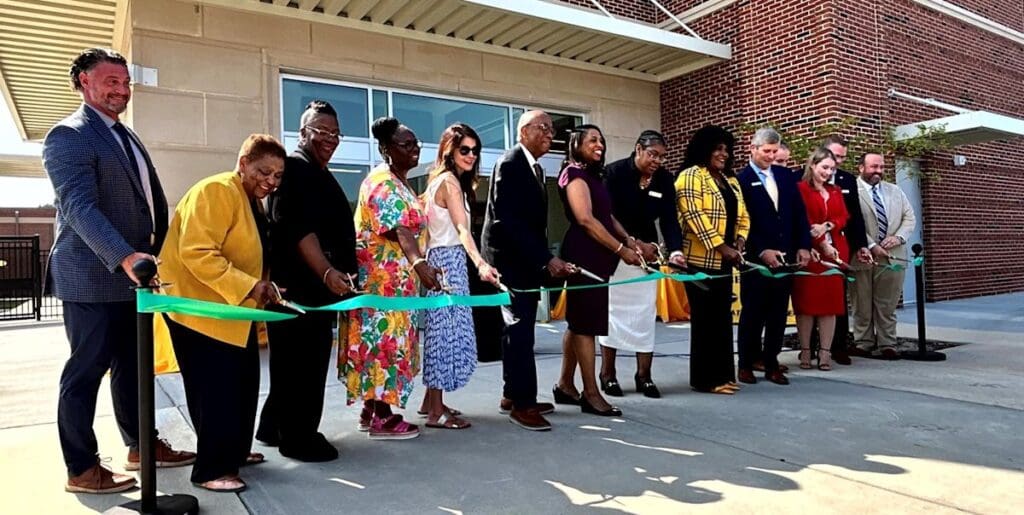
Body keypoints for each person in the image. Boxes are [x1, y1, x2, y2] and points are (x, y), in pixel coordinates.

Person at [43, 47, 194, 494]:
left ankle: (141, 446)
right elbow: (78, 207)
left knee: (133, 368)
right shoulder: (69, 135)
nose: (122, 89)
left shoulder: (125, 135)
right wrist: (125, 255)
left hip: (135, 280)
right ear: (84, 81)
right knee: (85, 372)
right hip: (91, 277)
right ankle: (81, 469)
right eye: (112, 81)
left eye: (126, 82)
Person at [156, 134, 285, 493]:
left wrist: (264, 286)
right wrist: (250, 286)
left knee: (243, 386)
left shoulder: (249, 198)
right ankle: (210, 469)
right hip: (200, 312)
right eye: (264, 171)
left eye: (277, 175)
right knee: (215, 392)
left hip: (231, 313)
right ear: (243, 163)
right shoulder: (216, 190)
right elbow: (197, 252)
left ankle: (236, 452)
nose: (271, 181)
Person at [255, 100, 356, 461]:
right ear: (302, 133)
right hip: (303, 288)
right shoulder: (296, 169)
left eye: (335, 133)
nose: (330, 138)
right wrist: (327, 271)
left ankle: (272, 427)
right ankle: (298, 439)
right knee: (304, 367)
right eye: (321, 131)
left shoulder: (316, 170)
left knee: (290, 364)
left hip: (312, 288)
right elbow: (298, 228)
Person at [341, 117, 442, 440]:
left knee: (384, 345)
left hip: (397, 288)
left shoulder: (399, 181)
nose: (414, 149)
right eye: (406, 144)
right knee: (383, 345)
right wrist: (420, 264)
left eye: (416, 143)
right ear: (386, 149)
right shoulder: (383, 182)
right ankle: (383, 418)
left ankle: (371, 410)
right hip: (383, 286)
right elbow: (399, 229)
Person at [481, 110, 572, 431]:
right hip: (510, 265)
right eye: (543, 128)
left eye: (552, 128)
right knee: (519, 333)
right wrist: (547, 259)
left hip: (525, 264)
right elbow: (508, 222)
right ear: (523, 132)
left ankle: (513, 394)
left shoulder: (533, 167)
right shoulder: (511, 163)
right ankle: (523, 404)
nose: (550, 133)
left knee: (520, 331)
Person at [554, 124, 645, 417]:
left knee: (578, 322)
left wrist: (629, 239)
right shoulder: (573, 174)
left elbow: (607, 217)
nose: (600, 145)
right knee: (587, 326)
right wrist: (622, 251)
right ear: (576, 143)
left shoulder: (594, 176)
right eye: (592, 140)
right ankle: (590, 393)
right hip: (584, 256)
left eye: (602, 141)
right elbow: (586, 220)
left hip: (599, 257)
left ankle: (566, 385)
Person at [418, 123, 501, 430]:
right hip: (448, 262)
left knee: (442, 333)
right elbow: (462, 230)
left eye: (475, 150)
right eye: (464, 149)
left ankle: (431, 401)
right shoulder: (449, 182)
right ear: (449, 151)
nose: (471, 155)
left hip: (441, 260)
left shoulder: (441, 181)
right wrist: (480, 263)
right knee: (444, 336)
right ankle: (435, 412)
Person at [598, 130, 681, 398]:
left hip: (648, 257)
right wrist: (630, 244)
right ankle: (607, 374)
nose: (657, 160)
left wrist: (672, 250)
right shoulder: (614, 173)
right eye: (652, 154)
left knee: (644, 317)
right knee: (612, 317)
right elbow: (605, 215)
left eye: (662, 156)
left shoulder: (665, 180)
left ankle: (644, 375)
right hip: (617, 252)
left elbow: (669, 219)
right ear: (638, 149)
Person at [675, 125, 750, 394]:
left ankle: (723, 376)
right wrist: (721, 247)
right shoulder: (690, 176)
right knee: (705, 321)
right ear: (704, 148)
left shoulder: (730, 180)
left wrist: (740, 240)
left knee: (721, 319)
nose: (724, 154)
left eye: (727, 150)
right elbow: (694, 216)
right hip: (700, 260)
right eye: (718, 149)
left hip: (726, 261)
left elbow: (743, 215)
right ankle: (706, 380)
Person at [736, 127, 811, 385]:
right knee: (753, 313)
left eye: (774, 151)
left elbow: (798, 214)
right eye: (766, 151)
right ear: (753, 148)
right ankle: (745, 363)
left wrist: (803, 245)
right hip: (756, 260)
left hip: (785, 256)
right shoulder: (741, 180)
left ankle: (771, 363)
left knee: (778, 314)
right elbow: (741, 222)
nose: (770, 156)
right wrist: (760, 251)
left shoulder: (785, 176)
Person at [850, 152, 916, 359]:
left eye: (881, 167)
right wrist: (870, 244)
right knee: (861, 301)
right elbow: (851, 220)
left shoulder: (894, 190)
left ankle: (888, 343)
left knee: (887, 303)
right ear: (861, 168)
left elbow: (909, 217)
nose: (878, 171)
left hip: (892, 256)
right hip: (862, 254)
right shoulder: (851, 190)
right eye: (873, 167)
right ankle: (863, 342)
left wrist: (899, 238)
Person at [792, 148, 850, 371]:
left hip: (834, 255)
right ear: (813, 165)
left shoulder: (835, 191)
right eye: (824, 167)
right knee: (806, 305)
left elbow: (844, 216)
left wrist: (829, 225)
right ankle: (806, 351)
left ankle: (825, 353)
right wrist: (816, 243)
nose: (828, 172)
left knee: (830, 306)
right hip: (811, 255)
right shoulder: (800, 189)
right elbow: (800, 220)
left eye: (831, 168)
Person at [821, 135, 871, 365]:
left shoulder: (847, 180)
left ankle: (838, 346)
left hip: (840, 248)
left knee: (838, 298)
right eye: (835, 156)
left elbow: (855, 217)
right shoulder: (802, 177)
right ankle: (813, 347)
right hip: (814, 248)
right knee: (814, 298)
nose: (839, 161)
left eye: (843, 157)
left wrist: (861, 245)